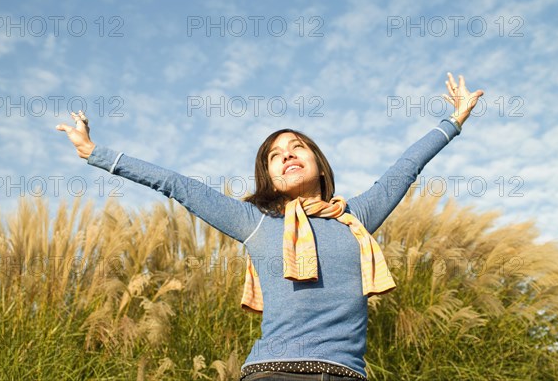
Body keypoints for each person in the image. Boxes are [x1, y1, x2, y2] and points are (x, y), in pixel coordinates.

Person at [56, 73, 484, 380]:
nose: (287, 154)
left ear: (319, 165)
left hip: (344, 374)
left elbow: (405, 168)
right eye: (275, 154)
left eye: (298, 147)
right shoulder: (256, 223)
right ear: (269, 176)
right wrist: (95, 152)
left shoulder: (357, 217)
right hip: (270, 373)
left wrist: (455, 120)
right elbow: (177, 185)